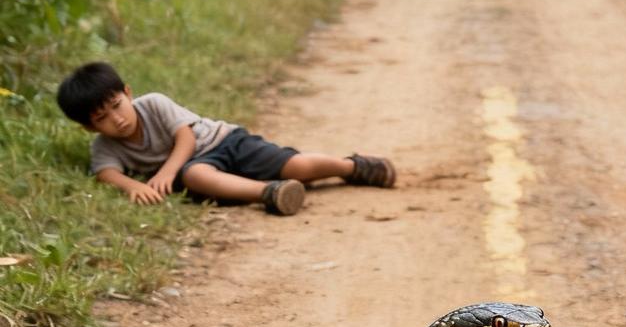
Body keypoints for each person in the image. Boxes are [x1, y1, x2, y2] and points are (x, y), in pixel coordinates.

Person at [55, 61, 396, 216]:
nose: (117, 119)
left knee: (296, 164)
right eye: (102, 118)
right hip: (199, 168)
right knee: (196, 175)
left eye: (117, 105)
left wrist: (164, 174)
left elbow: (185, 138)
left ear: (128, 93)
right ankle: (273, 193)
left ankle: (352, 166)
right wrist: (133, 187)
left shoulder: (153, 104)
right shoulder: (104, 145)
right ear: (90, 127)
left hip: (226, 141)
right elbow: (105, 172)